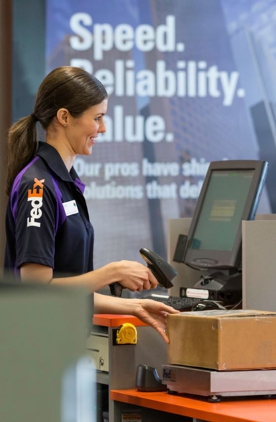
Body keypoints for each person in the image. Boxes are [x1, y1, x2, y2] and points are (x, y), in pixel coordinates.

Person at [3, 66, 179, 342]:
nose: (103, 128)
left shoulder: (65, 182)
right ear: (64, 117)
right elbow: (39, 290)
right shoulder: (37, 186)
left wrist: (135, 305)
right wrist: (113, 272)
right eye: (97, 118)